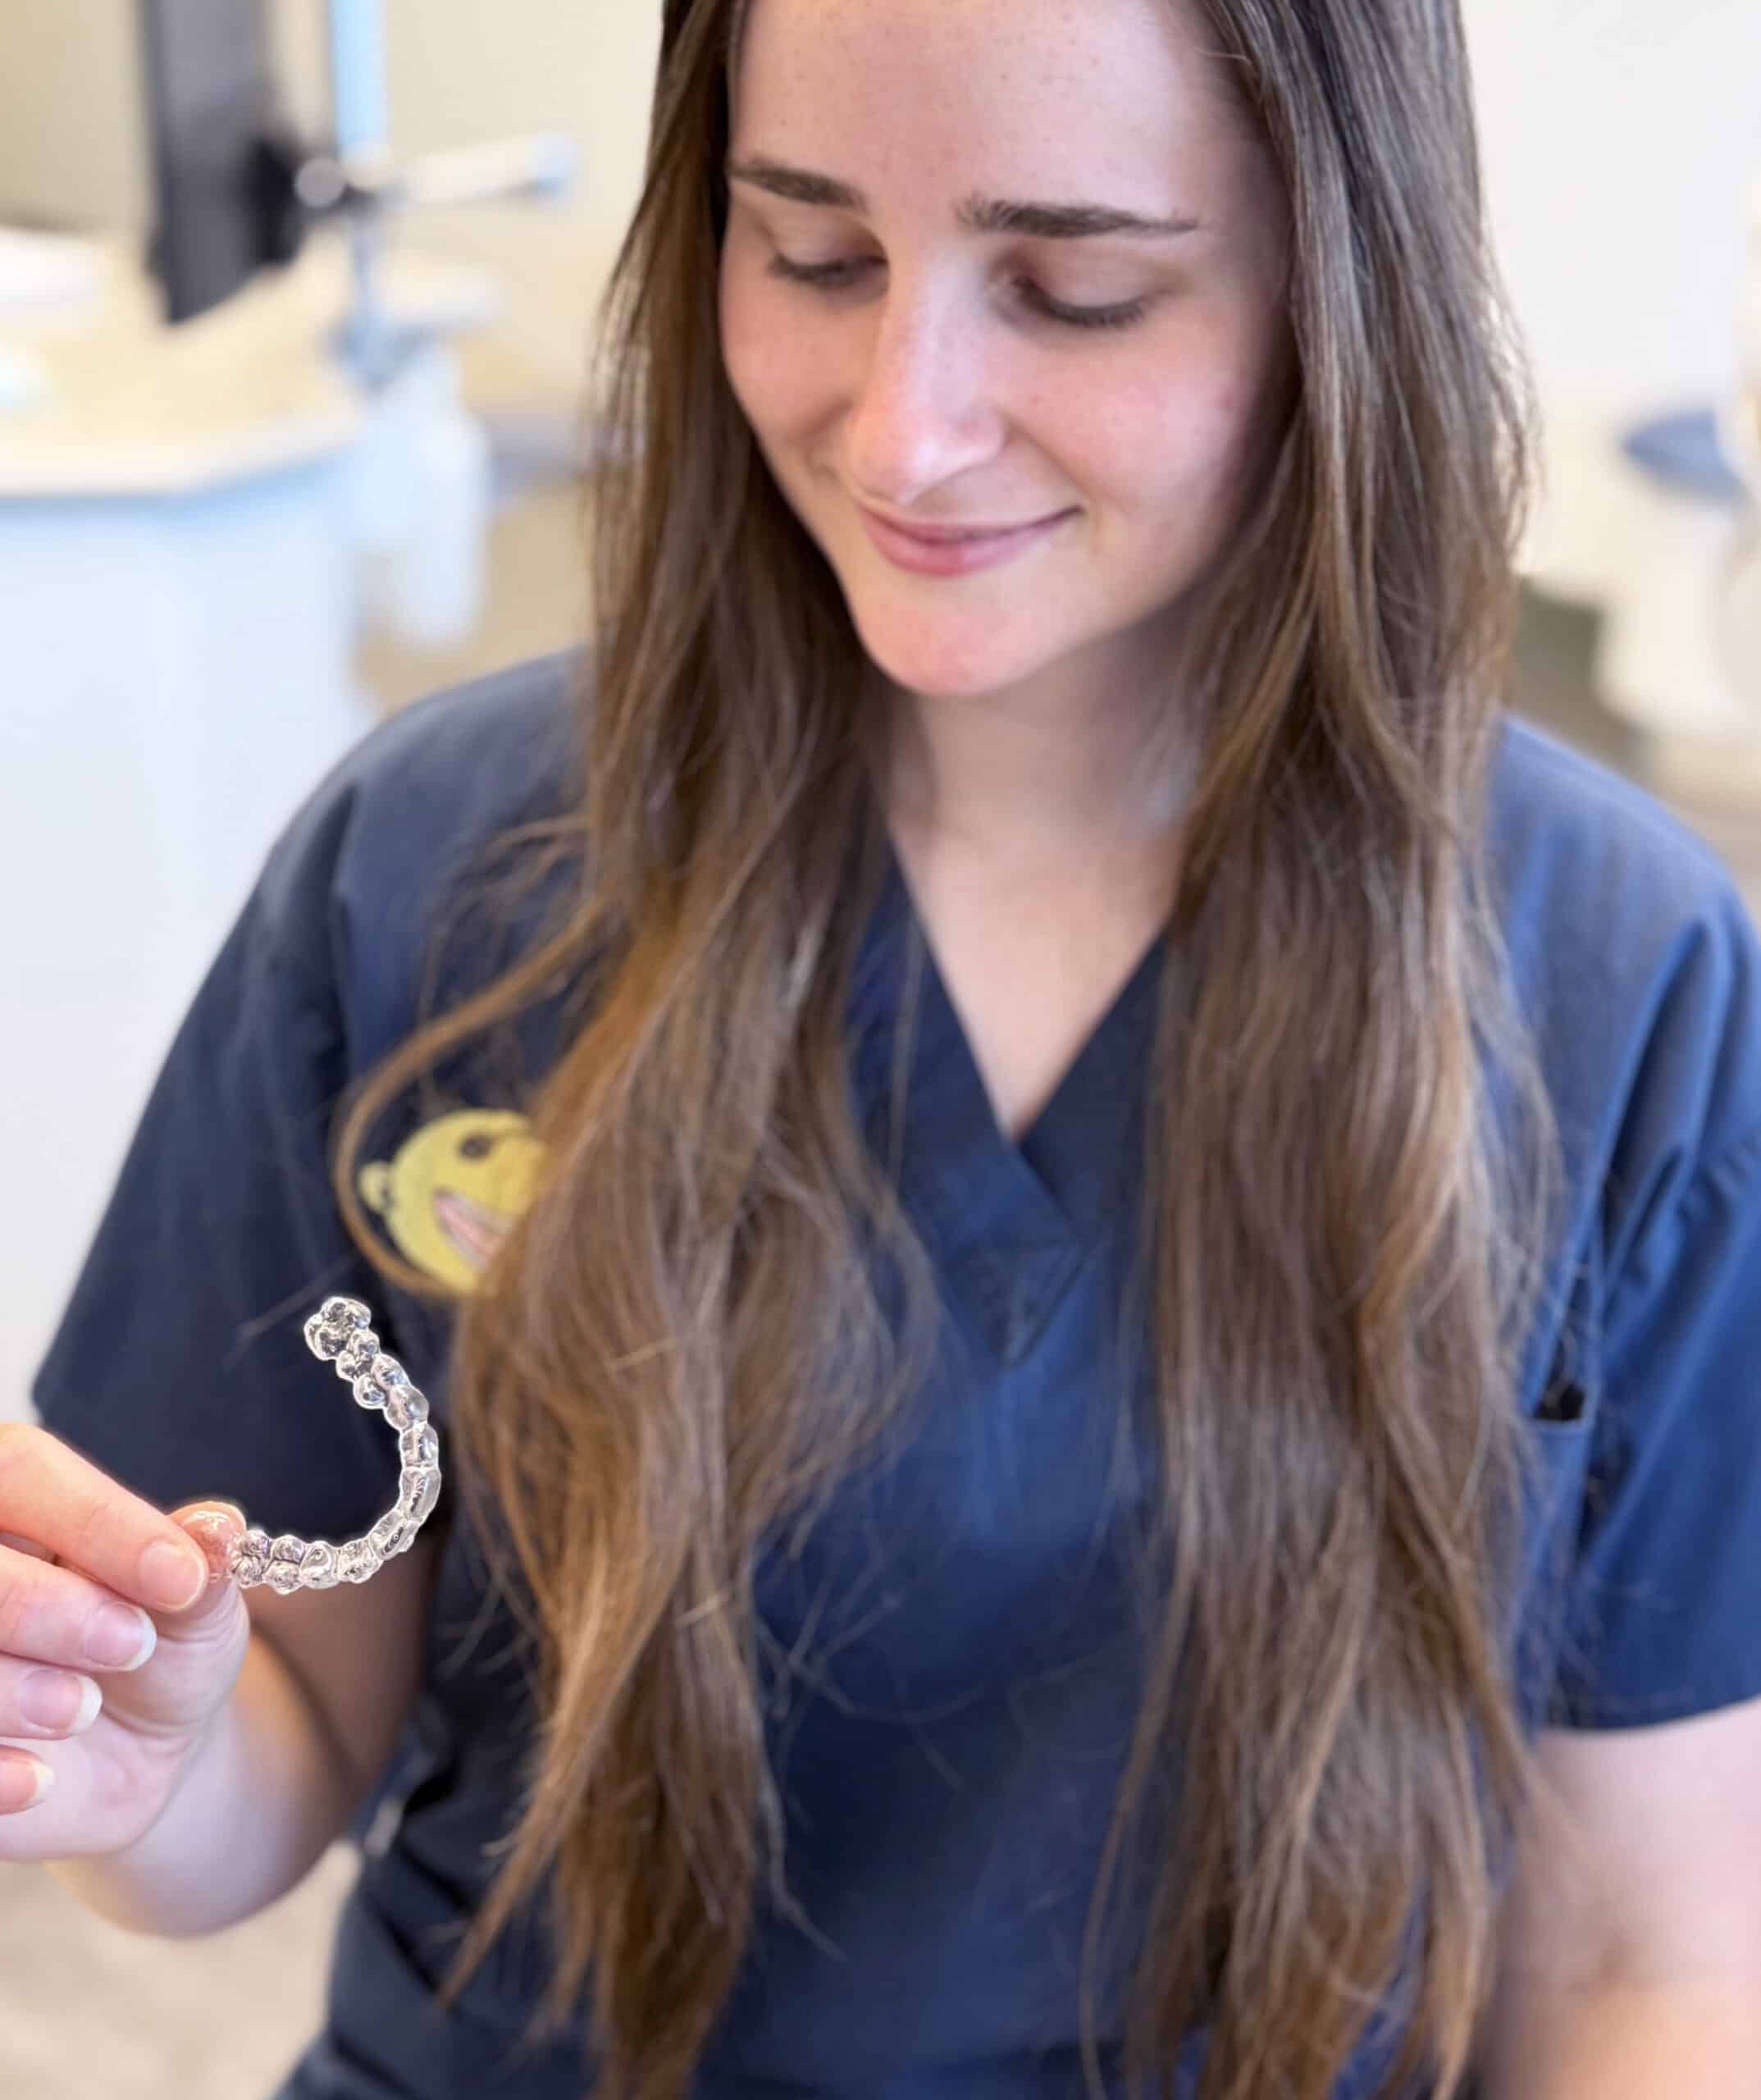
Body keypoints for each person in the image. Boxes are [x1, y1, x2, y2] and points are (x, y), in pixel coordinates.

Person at [11, 0, 1761, 2093]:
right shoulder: (440, 876)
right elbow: (264, 1753)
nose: (902, 427)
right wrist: (127, 1755)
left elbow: (1654, 1966)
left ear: (1337, 289)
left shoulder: (1623, 982)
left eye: (1079, 291)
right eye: (813, 256)